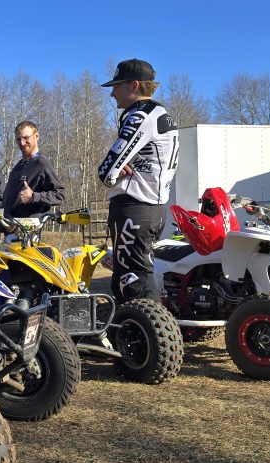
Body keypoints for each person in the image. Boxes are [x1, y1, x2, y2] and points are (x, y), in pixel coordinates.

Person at [96, 58, 179, 303]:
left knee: (133, 283)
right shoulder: (161, 113)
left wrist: (113, 172)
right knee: (134, 279)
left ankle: (147, 328)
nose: (112, 93)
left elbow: (106, 171)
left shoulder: (141, 116)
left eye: (116, 86)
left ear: (134, 85)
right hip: (151, 207)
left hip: (135, 207)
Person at [2, 121, 65, 218]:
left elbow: (59, 195)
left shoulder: (41, 163)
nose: (22, 143)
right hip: (9, 225)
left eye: (26, 138)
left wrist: (33, 197)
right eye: (18, 139)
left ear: (36, 136)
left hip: (28, 226)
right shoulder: (17, 167)